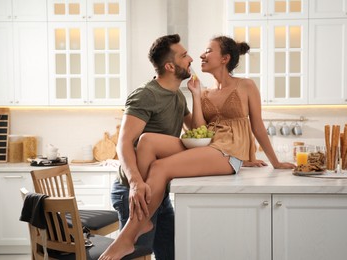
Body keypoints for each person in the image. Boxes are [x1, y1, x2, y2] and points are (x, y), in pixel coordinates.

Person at [100, 36, 295, 260]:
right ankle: (142, 213)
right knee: (147, 141)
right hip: (207, 149)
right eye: (186, 55)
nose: (197, 56)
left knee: (161, 168)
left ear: (225, 58)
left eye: (207, 51)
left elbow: (257, 127)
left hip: (227, 151)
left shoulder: (246, 85)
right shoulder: (194, 93)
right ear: (170, 65)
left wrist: (273, 161)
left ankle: (128, 236)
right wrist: (195, 95)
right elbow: (200, 133)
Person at [109, 34, 193, 260]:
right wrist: (136, 183)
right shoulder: (146, 94)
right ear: (170, 66)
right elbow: (123, 143)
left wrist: (199, 95)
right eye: (184, 56)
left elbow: (196, 134)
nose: (191, 59)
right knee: (130, 255)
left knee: (172, 254)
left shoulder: (178, 96)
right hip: (134, 191)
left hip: (158, 191)